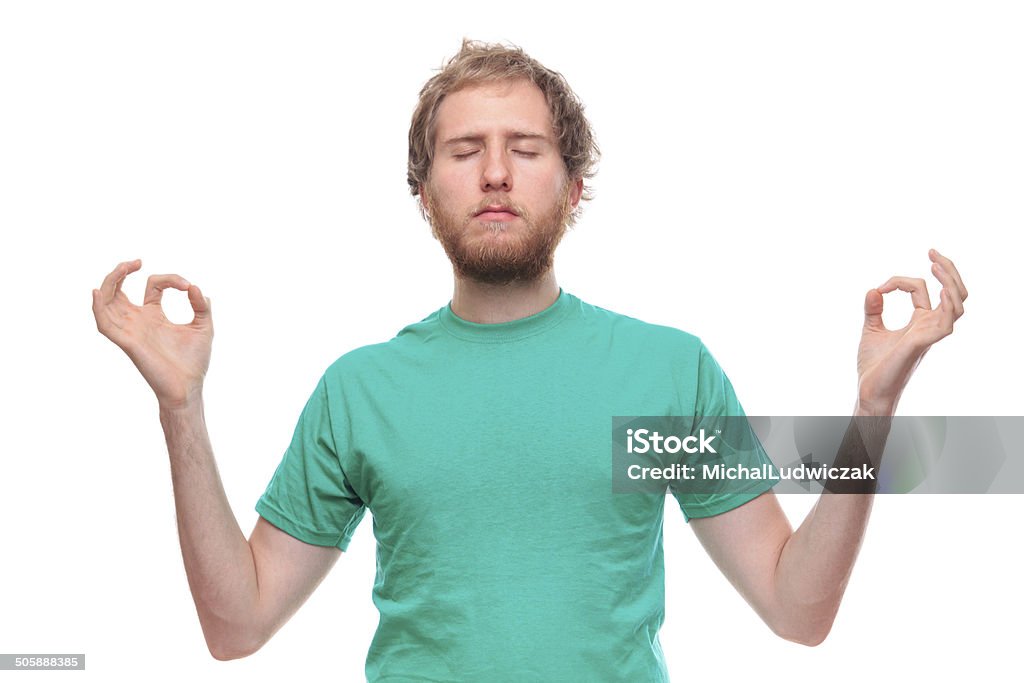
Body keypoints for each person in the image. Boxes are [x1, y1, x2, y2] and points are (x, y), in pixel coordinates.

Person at [92, 39, 969, 682]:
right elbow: (235, 625)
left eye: (527, 149)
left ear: (573, 186)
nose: (496, 174)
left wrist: (872, 414)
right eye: (465, 152)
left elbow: (796, 609)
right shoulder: (360, 391)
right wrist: (181, 408)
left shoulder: (662, 376)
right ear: (426, 191)